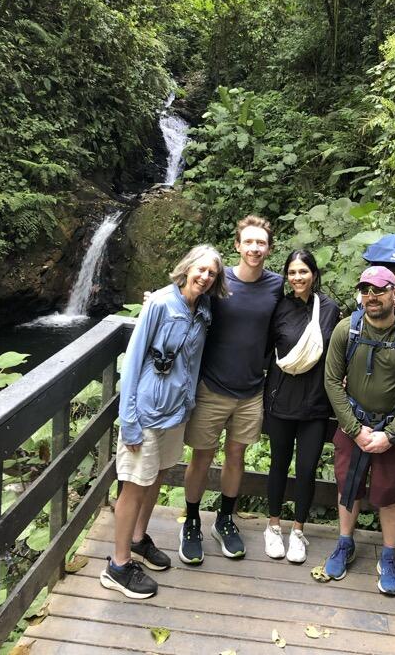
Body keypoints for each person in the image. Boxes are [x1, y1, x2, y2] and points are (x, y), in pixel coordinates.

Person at [100, 245, 228, 599]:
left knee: (157, 475)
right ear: (186, 268)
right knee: (134, 484)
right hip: (146, 411)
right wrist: (128, 420)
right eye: (200, 269)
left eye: (212, 273)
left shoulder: (203, 309)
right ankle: (118, 566)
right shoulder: (159, 303)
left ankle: (138, 540)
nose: (205, 277)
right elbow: (133, 360)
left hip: (176, 411)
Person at [178, 215, 284, 565]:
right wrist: (155, 300)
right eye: (248, 242)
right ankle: (191, 520)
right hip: (212, 386)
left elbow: (301, 312)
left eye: (261, 243)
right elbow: (185, 295)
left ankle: (225, 519)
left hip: (251, 390)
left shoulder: (276, 285)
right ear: (237, 245)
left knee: (236, 456)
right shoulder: (218, 281)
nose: (255, 248)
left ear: (269, 248)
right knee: (202, 456)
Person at [323, 266, 395, 595]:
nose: (372, 296)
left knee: (388, 494)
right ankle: (344, 543)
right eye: (366, 289)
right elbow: (332, 381)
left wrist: (392, 435)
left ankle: (388, 554)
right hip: (352, 425)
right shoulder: (346, 330)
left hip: (391, 429)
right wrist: (354, 429)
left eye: (380, 290)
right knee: (347, 486)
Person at [262, 249, 340, 563]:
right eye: (292, 272)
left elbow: (339, 352)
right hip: (281, 399)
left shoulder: (329, 309)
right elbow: (263, 348)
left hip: (316, 404)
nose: (297, 278)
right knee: (279, 464)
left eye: (303, 272)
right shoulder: (278, 307)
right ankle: (273, 526)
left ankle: (297, 530)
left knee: (306, 469)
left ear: (314, 274)